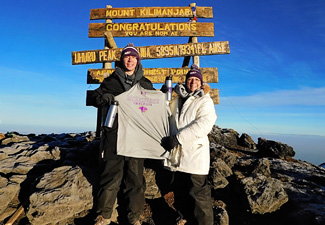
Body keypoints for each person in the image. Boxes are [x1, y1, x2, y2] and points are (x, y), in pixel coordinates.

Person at [92, 43, 154, 225]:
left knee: (135, 180)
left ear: (138, 61)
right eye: (127, 56)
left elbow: (155, 108)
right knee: (110, 176)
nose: (130, 60)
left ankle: (133, 217)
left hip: (137, 138)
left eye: (133, 57)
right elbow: (95, 96)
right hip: (114, 136)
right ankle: (103, 216)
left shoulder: (146, 84)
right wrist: (103, 98)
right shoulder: (111, 81)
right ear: (122, 60)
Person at [160, 64, 217, 225]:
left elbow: (204, 124)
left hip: (194, 155)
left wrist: (177, 139)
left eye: (196, 80)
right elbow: (166, 114)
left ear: (201, 83)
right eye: (190, 79)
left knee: (199, 195)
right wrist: (164, 97)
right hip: (177, 156)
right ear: (186, 81)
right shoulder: (178, 98)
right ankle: (185, 217)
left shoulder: (204, 100)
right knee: (181, 191)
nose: (193, 82)